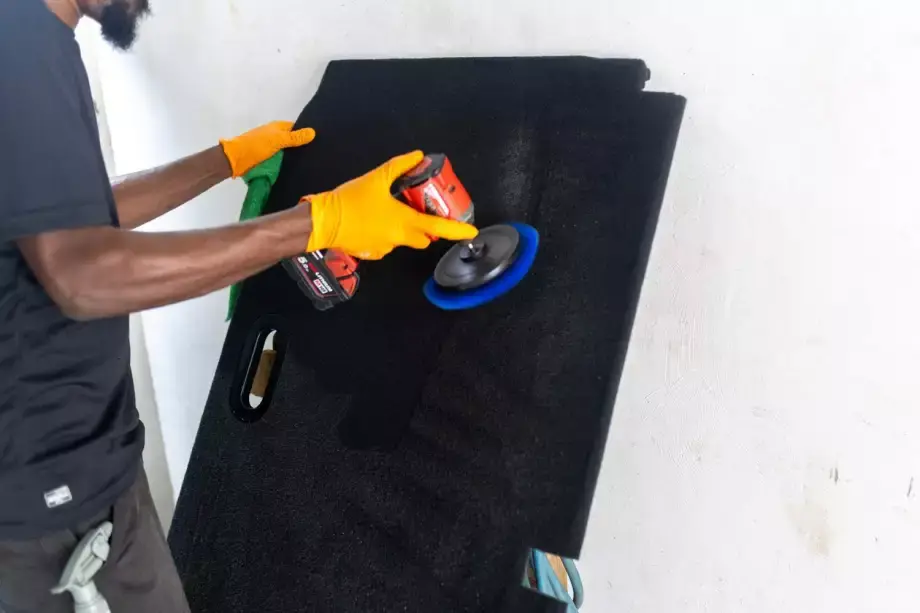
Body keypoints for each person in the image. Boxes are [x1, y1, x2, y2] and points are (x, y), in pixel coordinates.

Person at [0, 1, 478, 611]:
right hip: (50, 506)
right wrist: (315, 222)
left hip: (88, 466)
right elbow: (80, 275)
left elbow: (68, 212)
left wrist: (223, 160)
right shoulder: (16, 45)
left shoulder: (35, 38)